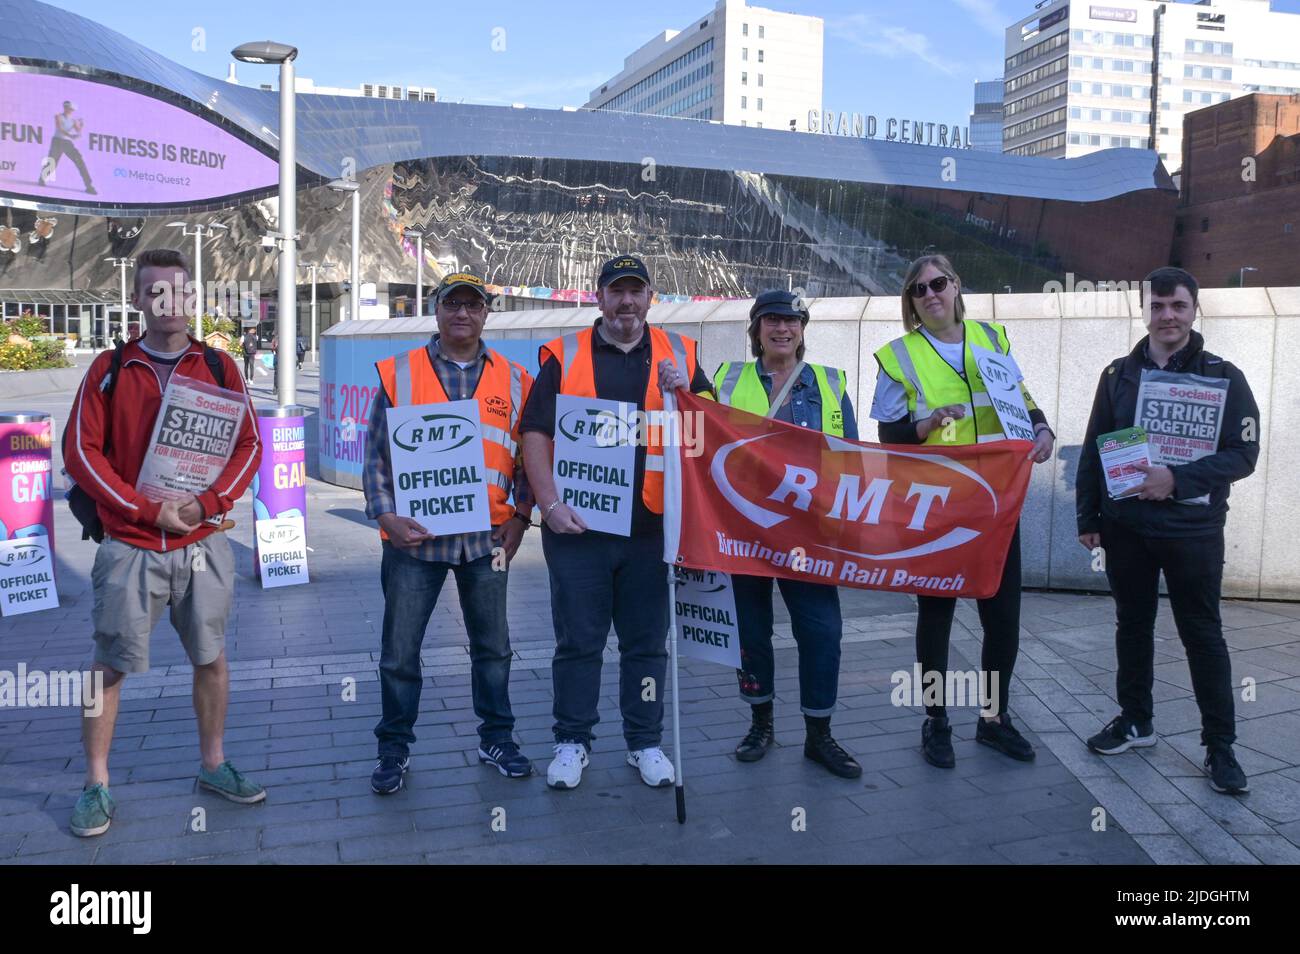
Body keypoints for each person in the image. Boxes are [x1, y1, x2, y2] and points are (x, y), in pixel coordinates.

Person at [63, 248, 264, 837]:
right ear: (138, 300)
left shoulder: (221, 367)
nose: (168, 302)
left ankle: (213, 763)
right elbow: (81, 454)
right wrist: (147, 510)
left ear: (192, 300)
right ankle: (96, 783)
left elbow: (248, 446)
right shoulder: (109, 368)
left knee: (211, 657)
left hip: (202, 541)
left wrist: (208, 504)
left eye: (178, 291)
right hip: (130, 544)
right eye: (155, 291)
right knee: (109, 666)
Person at [520, 254, 714, 790]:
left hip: (652, 531)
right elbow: (534, 432)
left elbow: (706, 438)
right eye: (616, 290)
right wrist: (549, 504)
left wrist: (687, 396)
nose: (626, 301)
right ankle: (572, 741)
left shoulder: (681, 355)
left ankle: (644, 743)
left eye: (636, 290)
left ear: (651, 297)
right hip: (580, 532)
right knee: (579, 642)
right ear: (598, 297)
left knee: (647, 644)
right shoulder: (565, 355)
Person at [1077, 266, 1260, 795]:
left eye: (1177, 306)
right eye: (1157, 306)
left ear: (1194, 309)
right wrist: (1088, 518)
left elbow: (1244, 453)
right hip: (1127, 528)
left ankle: (1220, 748)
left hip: (1193, 530)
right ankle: (1136, 721)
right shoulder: (1117, 375)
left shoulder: (1225, 376)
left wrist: (1175, 480)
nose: (1167, 316)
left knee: (1202, 635)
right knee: (1131, 626)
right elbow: (1095, 447)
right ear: (1145, 310)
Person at [870, 253, 1055, 768]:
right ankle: (936, 721)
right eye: (918, 290)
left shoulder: (991, 339)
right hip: (939, 506)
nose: (930, 295)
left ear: (956, 287)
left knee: (1003, 618)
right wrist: (926, 425)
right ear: (910, 302)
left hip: (997, 503)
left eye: (939, 284)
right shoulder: (898, 355)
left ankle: (994, 719)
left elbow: (1020, 398)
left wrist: (1041, 428)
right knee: (936, 618)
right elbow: (889, 437)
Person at [364, 272, 535, 792]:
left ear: (487, 313)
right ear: (436, 310)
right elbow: (376, 455)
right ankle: (393, 748)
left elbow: (530, 458)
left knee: (494, 649)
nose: (463, 312)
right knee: (399, 652)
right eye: (452, 303)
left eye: (473, 304)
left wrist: (523, 518)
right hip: (414, 543)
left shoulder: (515, 379)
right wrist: (386, 515)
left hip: (488, 542)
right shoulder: (401, 373)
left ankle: (497, 737)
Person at [713, 289, 863, 778]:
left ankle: (819, 735)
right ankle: (761, 725)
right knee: (751, 634)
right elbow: (698, 445)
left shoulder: (830, 382)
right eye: (772, 320)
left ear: (803, 329)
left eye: (792, 321)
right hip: (745, 533)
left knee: (822, 634)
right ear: (756, 330)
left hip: (812, 537)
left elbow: (852, 458)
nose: (783, 329)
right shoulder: (727, 380)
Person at [37, 100, 96, 195]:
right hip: (57, 141)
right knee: (52, 162)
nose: (70, 110)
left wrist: (81, 125)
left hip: (67, 143)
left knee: (79, 161)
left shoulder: (73, 121)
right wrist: (70, 135)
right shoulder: (58, 116)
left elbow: (78, 132)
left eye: (71, 109)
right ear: (65, 108)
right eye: (68, 108)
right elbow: (59, 128)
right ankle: (42, 179)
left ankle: (89, 186)